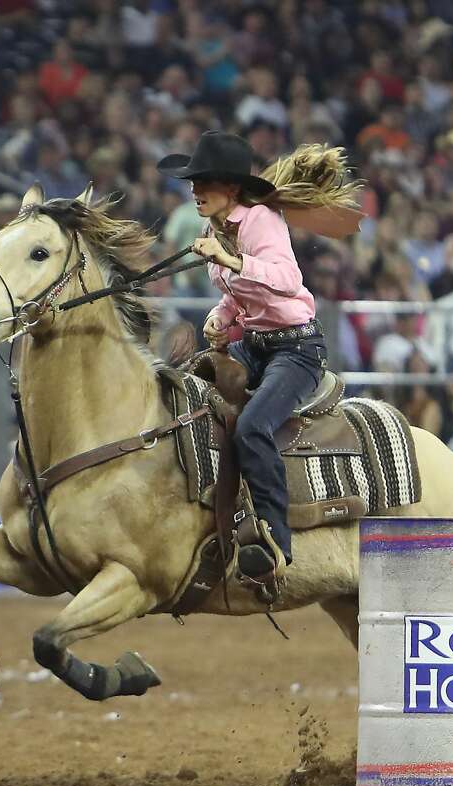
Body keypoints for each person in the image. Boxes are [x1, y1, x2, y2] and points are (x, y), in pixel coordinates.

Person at [157, 131, 362, 591]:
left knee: (251, 427)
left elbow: (288, 281)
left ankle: (275, 541)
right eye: (191, 183)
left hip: (296, 350)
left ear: (229, 188)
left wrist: (230, 259)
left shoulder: (260, 221)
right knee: (187, 399)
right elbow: (238, 303)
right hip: (254, 346)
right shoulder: (217, 232)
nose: (193, 191)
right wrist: (219, 319)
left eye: (202, 183)